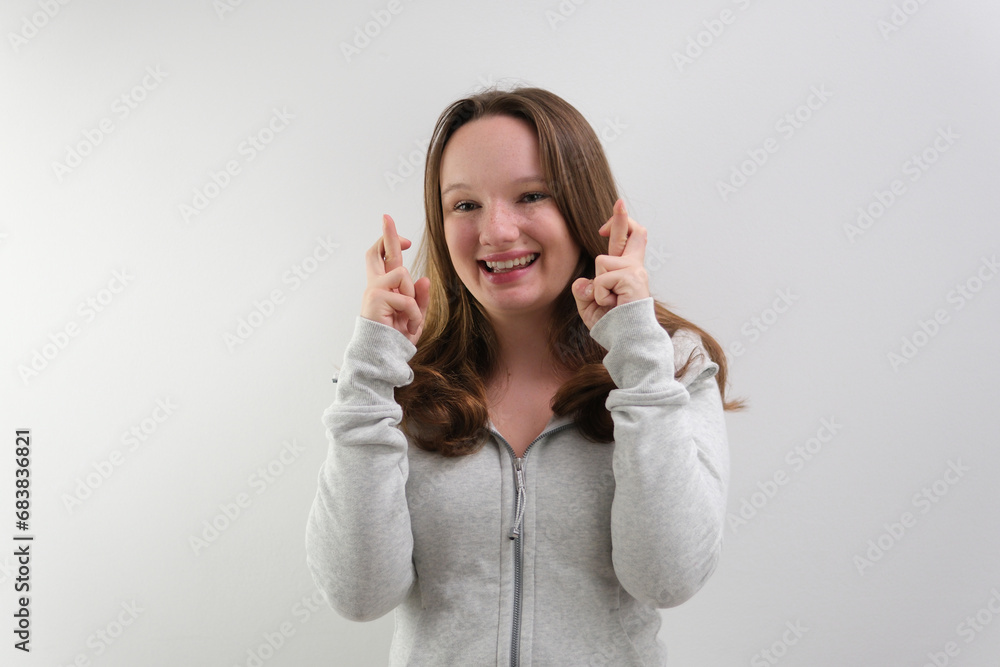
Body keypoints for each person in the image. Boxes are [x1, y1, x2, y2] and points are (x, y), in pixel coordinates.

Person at [305, 85, 745, 666]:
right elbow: (359, 595)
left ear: (584, 208)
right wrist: (370, 374)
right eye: (465, 205)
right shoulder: (396, 382)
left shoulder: (669, 366)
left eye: (531, 195)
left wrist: (637, 355)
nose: (497, 232)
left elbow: (667, 577)